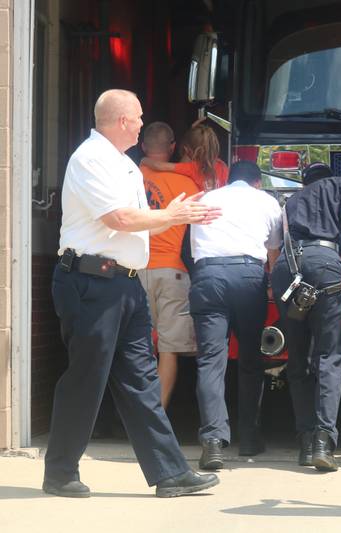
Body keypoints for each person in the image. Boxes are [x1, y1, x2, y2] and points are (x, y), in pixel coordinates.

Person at [45, 89, 220, 498]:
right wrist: (171, 214)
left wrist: (181, 214)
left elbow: (143, 224)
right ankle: (59, 472)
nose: (143, 124)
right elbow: (119, 218)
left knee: (141, 379)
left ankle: (169, 473)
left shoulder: (123, 165)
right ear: (123, 120)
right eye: (139, 117)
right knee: (87, 378)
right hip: (91, 282)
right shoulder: (90, 159)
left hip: (125, 283)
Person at [270, 162, 341, 472]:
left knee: (297, 358)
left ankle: (305, 442)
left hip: (289, 267)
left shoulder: (292, 200)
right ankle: (324, 441)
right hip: (325, 263)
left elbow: (278, 246)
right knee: (329, 357)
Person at [189, 160, 282, 469]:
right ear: (257, 182)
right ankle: (250, 438)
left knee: (210, 362)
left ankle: (213, 442)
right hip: (248, 276)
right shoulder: (267, 201)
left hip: (208, 275)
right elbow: (274, 251)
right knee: (251, 360)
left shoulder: (205, 198)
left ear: (229, 178)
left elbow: (191, 249)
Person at [138, 121, 201, 408]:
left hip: (135, 270)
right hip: (173, 271)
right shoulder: (188, 185)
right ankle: (157, 415)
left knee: (137, 347)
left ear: (143, 147)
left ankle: (135, 413)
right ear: (173, 147)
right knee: (168, 349)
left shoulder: (130, 178)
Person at [142, 123, 229, 191]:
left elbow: (159, 166)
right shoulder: (223, 166)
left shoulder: (192, 168)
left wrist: (143, 160)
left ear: (187, 151)